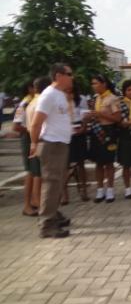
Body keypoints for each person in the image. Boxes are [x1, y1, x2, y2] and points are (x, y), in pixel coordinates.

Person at [28, 63, 74, 238]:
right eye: (69, 74)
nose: (72, 77)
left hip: (60, 143)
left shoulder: (59, 95)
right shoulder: (48, 95)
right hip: (51, 144)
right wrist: (34, 143)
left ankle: (53, 215)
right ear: (58, 75)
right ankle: (47, 224)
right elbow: (36, 123)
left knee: (57, 183)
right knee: (51, 183)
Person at [88, 75, 122, 203]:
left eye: (96, 83)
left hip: (108, 131)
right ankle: (100, 189)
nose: (93, 86)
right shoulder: (95, 99)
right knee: (98, 162)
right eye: (92, 83)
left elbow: (117, 118)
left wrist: (101, 114)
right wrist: (91, 116)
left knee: (108, 162)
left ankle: (110, 190)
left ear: (104, 84)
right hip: (96, 131)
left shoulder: (112, 99)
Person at [13, 80, 40, 216]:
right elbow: (16, 126)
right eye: (35, 87)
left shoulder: (33, 102)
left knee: (34, 172)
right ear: (29, 88)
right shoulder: (24, 104)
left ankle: (34, 202)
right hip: (28, 139)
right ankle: (27, 205)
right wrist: (30, 129)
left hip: (33, 137)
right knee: (31, 172)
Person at [66, 82, 90, 203]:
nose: (69, 93)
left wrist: (83, 127)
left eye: (71, 90)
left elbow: (86, 115)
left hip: (79, 130)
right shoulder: (61, 99)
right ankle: (64, 194)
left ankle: (83, 189)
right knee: (65, 164)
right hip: (65, 132)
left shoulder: (81, 99)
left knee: (81, 163)